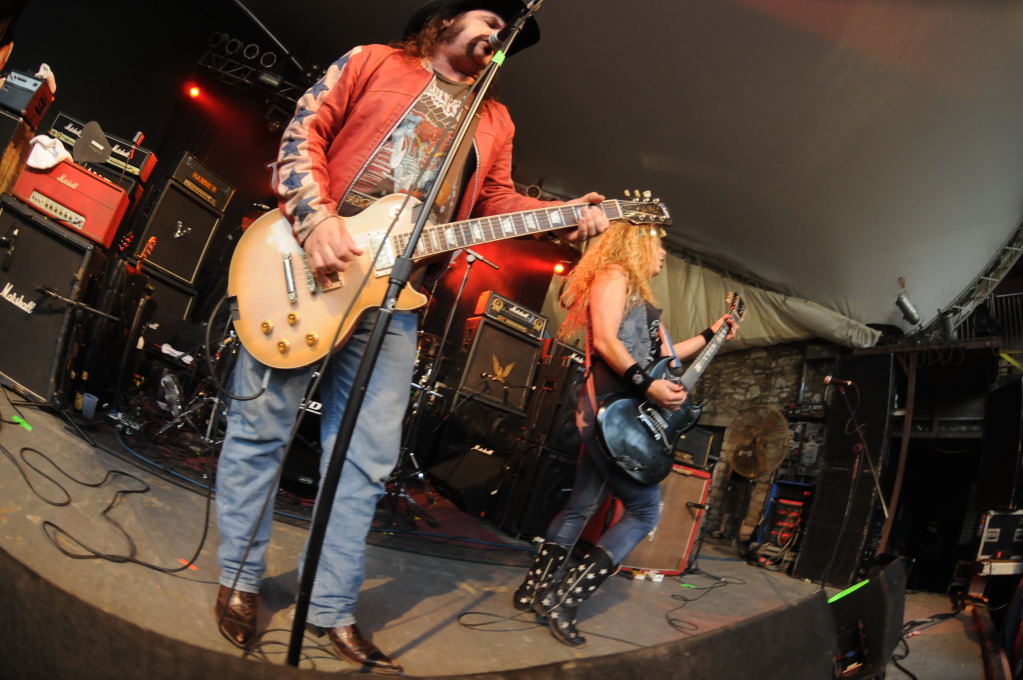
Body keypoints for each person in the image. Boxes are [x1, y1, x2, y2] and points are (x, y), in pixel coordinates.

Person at [213, 0, 609, 674]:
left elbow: (496, 204)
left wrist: (561, 216)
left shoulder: (494, 118)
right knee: (262, 430)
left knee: (365, 462)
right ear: (445, 19)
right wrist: (316, 221)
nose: (498, 34)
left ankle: (330, 608)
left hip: (396, 301)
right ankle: (240, 580)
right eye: (490, 19)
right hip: (314, 264)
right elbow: (303, 132)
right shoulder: (374, 62)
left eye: (506, 33)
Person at [512, 219, 739, 647]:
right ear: (637, 244)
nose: (664, 254)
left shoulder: (642, 298)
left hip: (620, 413)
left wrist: (714, 333)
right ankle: (565, 600)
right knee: (644, 512)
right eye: (659, 245)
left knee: (581, 505)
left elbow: (670, 357)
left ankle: (534, 590)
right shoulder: (614, 274)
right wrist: (648, 386)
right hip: (612, 409)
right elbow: (605, 342)